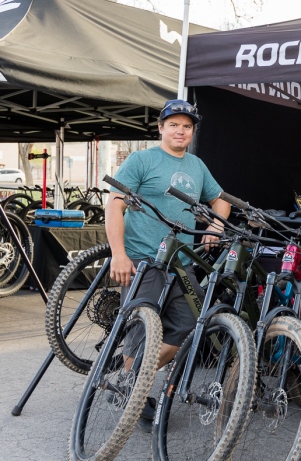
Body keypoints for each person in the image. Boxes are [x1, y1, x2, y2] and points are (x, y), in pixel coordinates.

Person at [104, 98, 229, 430]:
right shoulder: (142, 159)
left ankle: (132, 378)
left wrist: (216, 225)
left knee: (189, 325)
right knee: (139, 330)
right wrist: (119, 253)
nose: (180, 130)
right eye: (173, 124)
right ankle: (134, 391)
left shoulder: (197, 166)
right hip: (144, 259)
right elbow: (114, 205)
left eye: (187, 126)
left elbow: (220, 199)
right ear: (160, 128)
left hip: (181, 262)